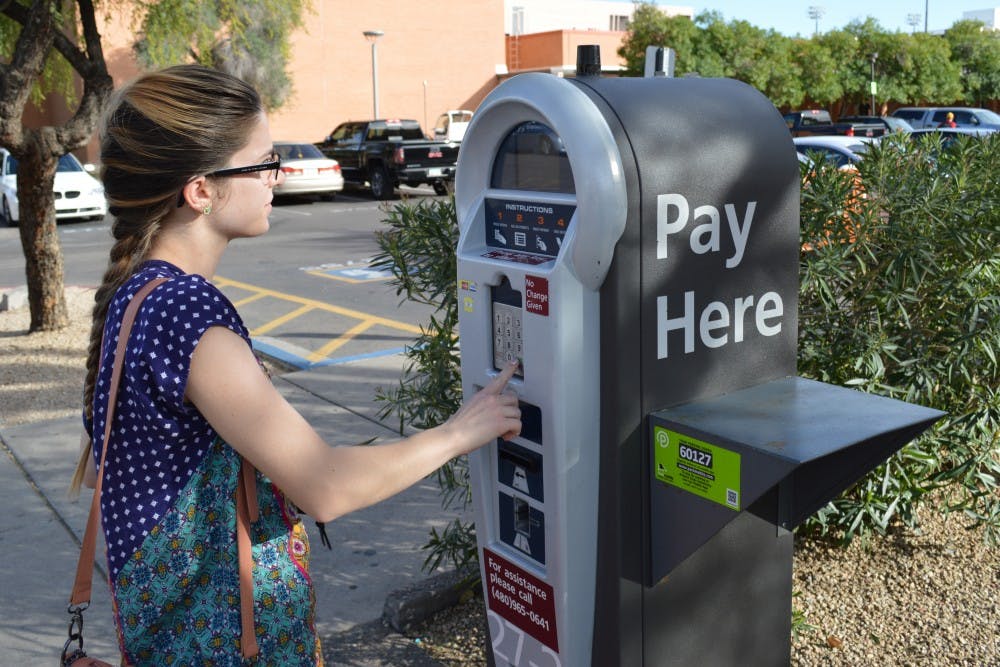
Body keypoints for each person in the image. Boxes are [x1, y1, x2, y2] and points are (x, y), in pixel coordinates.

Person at [70, 64, 521, 665]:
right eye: (263, 164)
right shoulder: (186, 314)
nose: (275, 179)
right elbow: (326, 485)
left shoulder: (135, 296)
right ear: (200, 190)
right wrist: (463, 430)